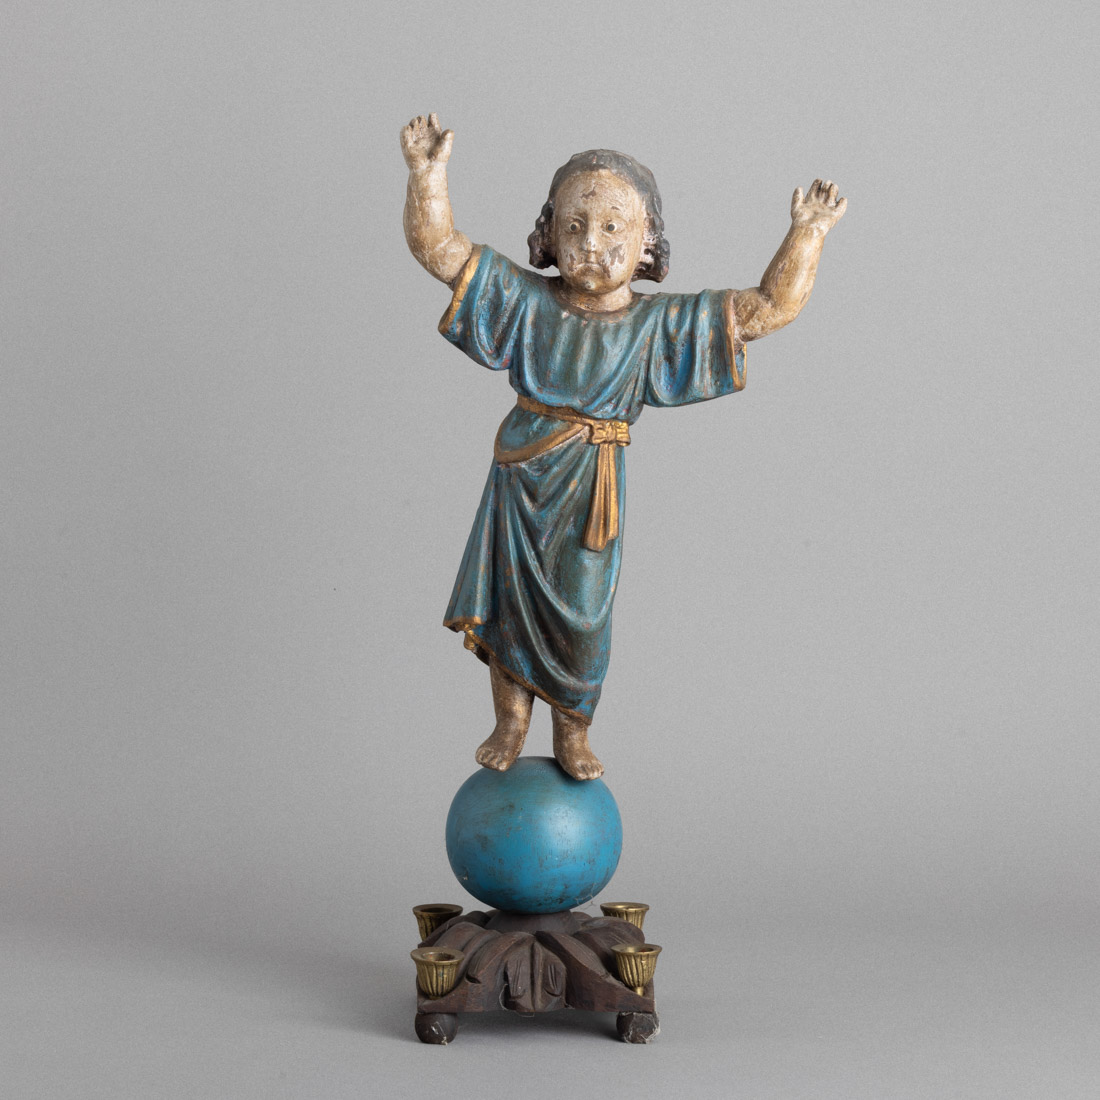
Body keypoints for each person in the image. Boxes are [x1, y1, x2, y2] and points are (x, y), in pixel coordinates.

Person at [400, 113, 846, 780]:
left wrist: (807, 232)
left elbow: (766, 309)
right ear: (548, 234)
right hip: (520, 479)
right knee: (508, 607)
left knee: (583, 614)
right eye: (575, 226)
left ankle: (573, 729)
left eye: (614, 227)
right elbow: (439, 249)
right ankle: (511, 721)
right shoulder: (525, 301)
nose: (592, 243)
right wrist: (427, 177)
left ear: (647, 243)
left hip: (592, 486)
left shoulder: (656, 324)